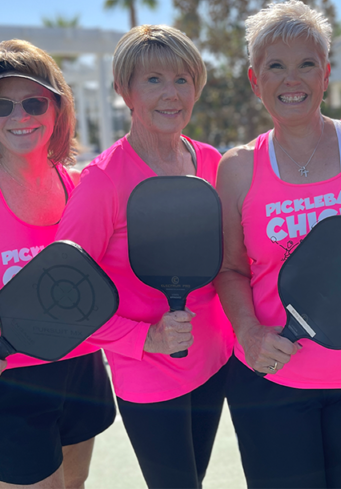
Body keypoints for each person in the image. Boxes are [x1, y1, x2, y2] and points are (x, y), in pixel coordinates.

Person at [215, 0, 341, 489]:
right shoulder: (237, 169)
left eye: (306, 64)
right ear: (256, 82)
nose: (291, 79)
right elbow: (231, 269)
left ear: (325, 73)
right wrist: (249, 334)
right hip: (272, 383)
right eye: (275, 67)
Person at [55, 25, 233, 489]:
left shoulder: (212, 162)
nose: (172, 94)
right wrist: (143, 339)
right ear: (123, 90)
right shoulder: (102, 181)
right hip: (149, 374)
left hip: (214, 360)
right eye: (153, 80)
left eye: (182, 79)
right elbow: (63, 293)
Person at [0, 40, 116, 489]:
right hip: (14, 379)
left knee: (75, 484)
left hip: (81, 366)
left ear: (57, 109)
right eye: (3, 105)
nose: (20, 116)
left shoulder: (80, 185)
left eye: (34, 102)